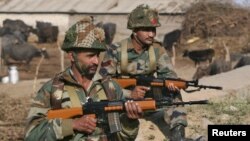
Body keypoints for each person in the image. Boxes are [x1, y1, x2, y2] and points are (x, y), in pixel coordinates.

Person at [24, 16, 142, 141]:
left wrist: (130, 122)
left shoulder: (111, 88)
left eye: (97, 55)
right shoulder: (52, 90)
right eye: (90, 56)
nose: (96, 61)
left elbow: (123, 138)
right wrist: (73, 125)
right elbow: (31, 134)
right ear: (72, 56)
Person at [100, 4, 187, 141]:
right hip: (123, 102)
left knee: (174, 93)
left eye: (153, 29)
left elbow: (168, 73)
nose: (152, 34)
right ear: (135, 30)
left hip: (151, 100)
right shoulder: (115, 50)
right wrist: (129, 93)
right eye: (146, 30)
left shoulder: (157, 49)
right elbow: (104, 83)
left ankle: (178, 134)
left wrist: (171, 83)